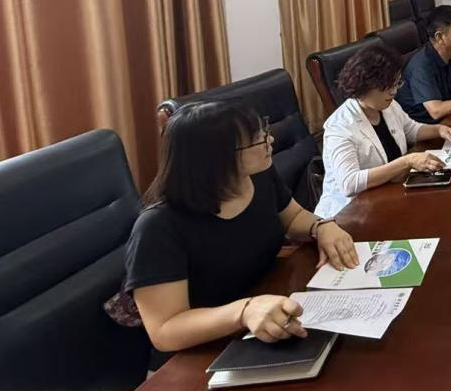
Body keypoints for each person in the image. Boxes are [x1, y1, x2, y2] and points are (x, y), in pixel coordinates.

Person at [124, 102, 360, 358]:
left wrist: (320, 226)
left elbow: (292, 218)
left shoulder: (257, 176)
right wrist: (244, 311)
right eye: (258, 139)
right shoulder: (158, 227)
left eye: (263, 130)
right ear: (217, 157)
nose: (270, 139)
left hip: (268, 312)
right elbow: (165, 330)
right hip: (205, 349)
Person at [315, 46, 451, 219]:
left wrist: (439, 130)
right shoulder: (340, 126)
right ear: (363, 85)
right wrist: (407, 161)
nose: (394, 91)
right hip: (349, 214)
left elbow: (410, 129)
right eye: (387, 86)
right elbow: (349, 183)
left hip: (386, 196)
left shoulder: (387, 105)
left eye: (396, 84)